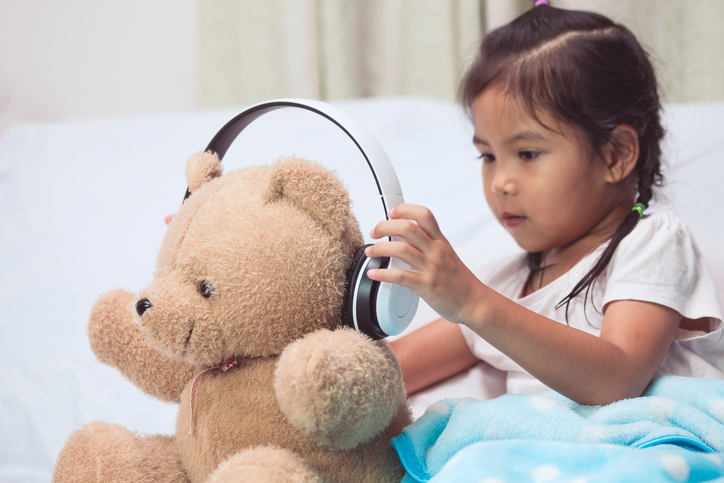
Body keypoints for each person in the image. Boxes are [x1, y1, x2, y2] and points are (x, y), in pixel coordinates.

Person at [366, 0, 724, 406]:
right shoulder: (506, 283)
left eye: (528, 154)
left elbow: (617, 380)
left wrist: (470, 299)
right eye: (488, 156)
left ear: (615, 155)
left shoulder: (654, 241)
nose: (500, 182)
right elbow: (393, 374)